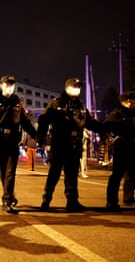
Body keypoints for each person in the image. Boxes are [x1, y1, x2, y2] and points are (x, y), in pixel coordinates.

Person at [37, 77, 103, 212]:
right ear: (66, 88)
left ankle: (72, 202)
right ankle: (46, 201)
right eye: (73, 87)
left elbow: (89, 123)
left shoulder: (81, 105)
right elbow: (44, 120)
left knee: (72, 175)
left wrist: (105, 129)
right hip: (60, 143)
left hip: (75, 143)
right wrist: (41, 139)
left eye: (78, 87)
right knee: (54, 174)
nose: (76, 89)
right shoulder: (56, 103)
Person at [0, 75, 36, 213]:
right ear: (1, 86)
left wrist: (35, 134)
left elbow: (24, 121)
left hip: (12, 141)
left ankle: (7, 200)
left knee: (10, 172)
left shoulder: (17, 101)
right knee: (3, 172)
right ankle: (10, 194)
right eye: (7, 85)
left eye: (12, 85)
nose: (10, 87)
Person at [104, 91, 135, 211]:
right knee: (117, 174)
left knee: (133, 174)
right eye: (131, 99)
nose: (134, 102)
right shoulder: (117, 114)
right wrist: (108, 138)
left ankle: (129, 199)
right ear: (124, 101)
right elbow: (105, 128)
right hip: (121, 144)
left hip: (133, 144)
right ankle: (111, 202)